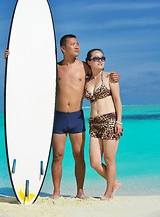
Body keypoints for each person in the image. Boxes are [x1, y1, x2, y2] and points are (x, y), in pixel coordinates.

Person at [4, 35, 120, 199]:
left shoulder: (84, 66)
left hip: (76, 117)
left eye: (78, 43)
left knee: (78, 156)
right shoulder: (54, 68)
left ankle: (80, 191)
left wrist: (115, 78)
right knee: (57, 155)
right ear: (63, 48)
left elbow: (99, 73)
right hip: (58, 117)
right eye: (73, 44)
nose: (77, 47)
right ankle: (56, 192)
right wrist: (13, 58)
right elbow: (31, 72)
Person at [84, 48, 123, 200]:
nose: (100, 60)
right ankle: (114, 183)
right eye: (96, 58)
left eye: (102, 58)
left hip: (109, 121)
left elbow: (117, 100)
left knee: (109, 160)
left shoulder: (110, 77)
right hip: (94, 123)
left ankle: (108, 193)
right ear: (89, 62)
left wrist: (118, 121)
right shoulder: (86, 82)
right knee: (94, 162)